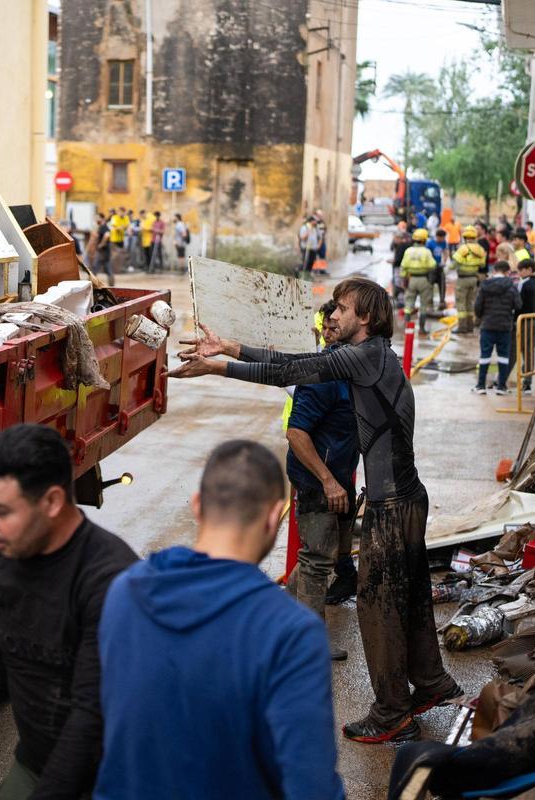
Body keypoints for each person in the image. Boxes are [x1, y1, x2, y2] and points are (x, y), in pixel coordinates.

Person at [168, 277, 463, 744]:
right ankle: (431, 682)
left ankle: (392, 713)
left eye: (342, 308)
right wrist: (227, 347)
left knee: (378, 608)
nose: (333, 315)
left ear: (366, 318)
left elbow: (290, 370)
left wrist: (217, 367)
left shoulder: (362, 357)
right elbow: (295, 362)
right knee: (410, 597)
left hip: (392, 505)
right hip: (408, 498)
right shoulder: (374, 355)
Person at [94, 440, 345, 800]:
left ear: (197, 505)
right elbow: (312, 786)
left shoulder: (125, 593)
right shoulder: (289, 632)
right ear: (274, 517)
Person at [0, 425, 137, 800]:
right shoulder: (4, 560)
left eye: (1, 511)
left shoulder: (111, 584)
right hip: (38, 766)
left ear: (52, 502)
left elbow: (91, 720)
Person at [281, 310, 357, 660]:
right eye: (325, 327)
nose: (327, 331)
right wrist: (327, 481)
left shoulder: (350, 369)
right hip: (317, 479)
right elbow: (296, 433)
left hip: (336, 475)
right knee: (317, 559)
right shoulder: (323, 374)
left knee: (320, 553)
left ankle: (278, 615)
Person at [472, 260, 522, 396]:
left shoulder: (485, 285)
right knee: (504, 357)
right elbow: (518, 305)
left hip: (487, 325)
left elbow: (477, 306)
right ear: (507, 272)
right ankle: (501, 387)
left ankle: (480, 386)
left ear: (494, 271)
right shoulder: (511, 286)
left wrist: (482, 317)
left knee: (485, 356)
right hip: (505, 326)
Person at [451, 226, 487, 335]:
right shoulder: (480, 249)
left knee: (461, 302)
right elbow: (482, 264)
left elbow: (455, 263)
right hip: (474, 278)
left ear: (465, 237)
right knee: (470, 302)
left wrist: (446, 269)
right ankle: (470, 326)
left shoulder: (463, 248)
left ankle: (462, 326)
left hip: (463, 279)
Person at [401, 228, 437, 335]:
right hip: (423, 279)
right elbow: (433, 265)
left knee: (408, 304)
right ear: (424, 240)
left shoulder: (408, 251)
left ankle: (407, 328)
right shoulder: (426, 251)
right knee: (423, 305)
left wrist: (404, 279)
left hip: (411, 279)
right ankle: (422, 329)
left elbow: (403, 267)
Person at [517, 259, 535, 392]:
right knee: (529, 350)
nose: (519, 273)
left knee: (516, 349)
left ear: (529, 269)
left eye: (521, 270)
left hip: (523, 320)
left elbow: (519, 305)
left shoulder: (524, 284)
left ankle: (502, 381)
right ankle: (528, 381)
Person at [390, 222, 412, 307]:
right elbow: (391, 248)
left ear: (399, 238)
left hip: (400, 268)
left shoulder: (402, 246)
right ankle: (400, 299)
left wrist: (393, 262)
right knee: (400, 283)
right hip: (402, 267)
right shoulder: (401, 244)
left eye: (395, 238)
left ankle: (401, 301)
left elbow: (399, 259)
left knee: (399, 284)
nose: (394, 240)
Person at [428, 228, 450, 311]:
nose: (443, 239)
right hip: (432, 267)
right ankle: (430, 303)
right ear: (438, 237)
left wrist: (444, 261)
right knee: (430, 285)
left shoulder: (444, 242)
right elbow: (428, 254)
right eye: (442, 238)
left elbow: (445, 251)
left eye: (444, 238)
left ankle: (442, 301)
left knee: (442, 283)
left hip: (440, 267)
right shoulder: (430, 243)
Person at [92, 213, 114, 287]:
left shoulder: (104, 227)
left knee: (95, 266)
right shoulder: (101, 227)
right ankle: (111, 284)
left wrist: (101, 244)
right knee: (107, 267)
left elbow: (107, 235)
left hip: (102, 251)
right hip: (104, 251)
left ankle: (91, 282)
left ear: (102, 218)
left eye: (97, 218)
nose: (96, 219)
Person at [109, 208, 128, 272]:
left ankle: (119, 268)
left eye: (123, 212)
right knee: (114, 254)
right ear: (118, 212)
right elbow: (115, 227)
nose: (122, 213)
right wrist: (121, 227)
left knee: (121, 254)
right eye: (121, 212)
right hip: (114, 239)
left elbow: (127, 226)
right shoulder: (114, 218)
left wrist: (122, 227)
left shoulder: (125, 218)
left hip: (121, 239)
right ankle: (112, 268)